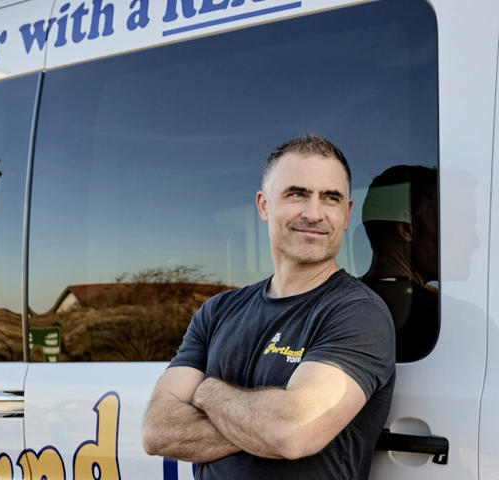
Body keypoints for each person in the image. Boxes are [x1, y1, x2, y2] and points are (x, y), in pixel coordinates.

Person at [142, 134, 395, 478]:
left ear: (347, 213)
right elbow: (158, 431)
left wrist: (208, 391)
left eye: (330, 198)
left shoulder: (357, 313)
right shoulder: (217, 312)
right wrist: (261, 425)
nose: (314, 213)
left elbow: (292, 433)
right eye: (297, 194)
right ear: (264, 205)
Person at [360, 165, 439, 362]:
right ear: (407, 228)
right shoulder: (446, 318)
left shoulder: (336, 304)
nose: (475, 241)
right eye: (451, 222)